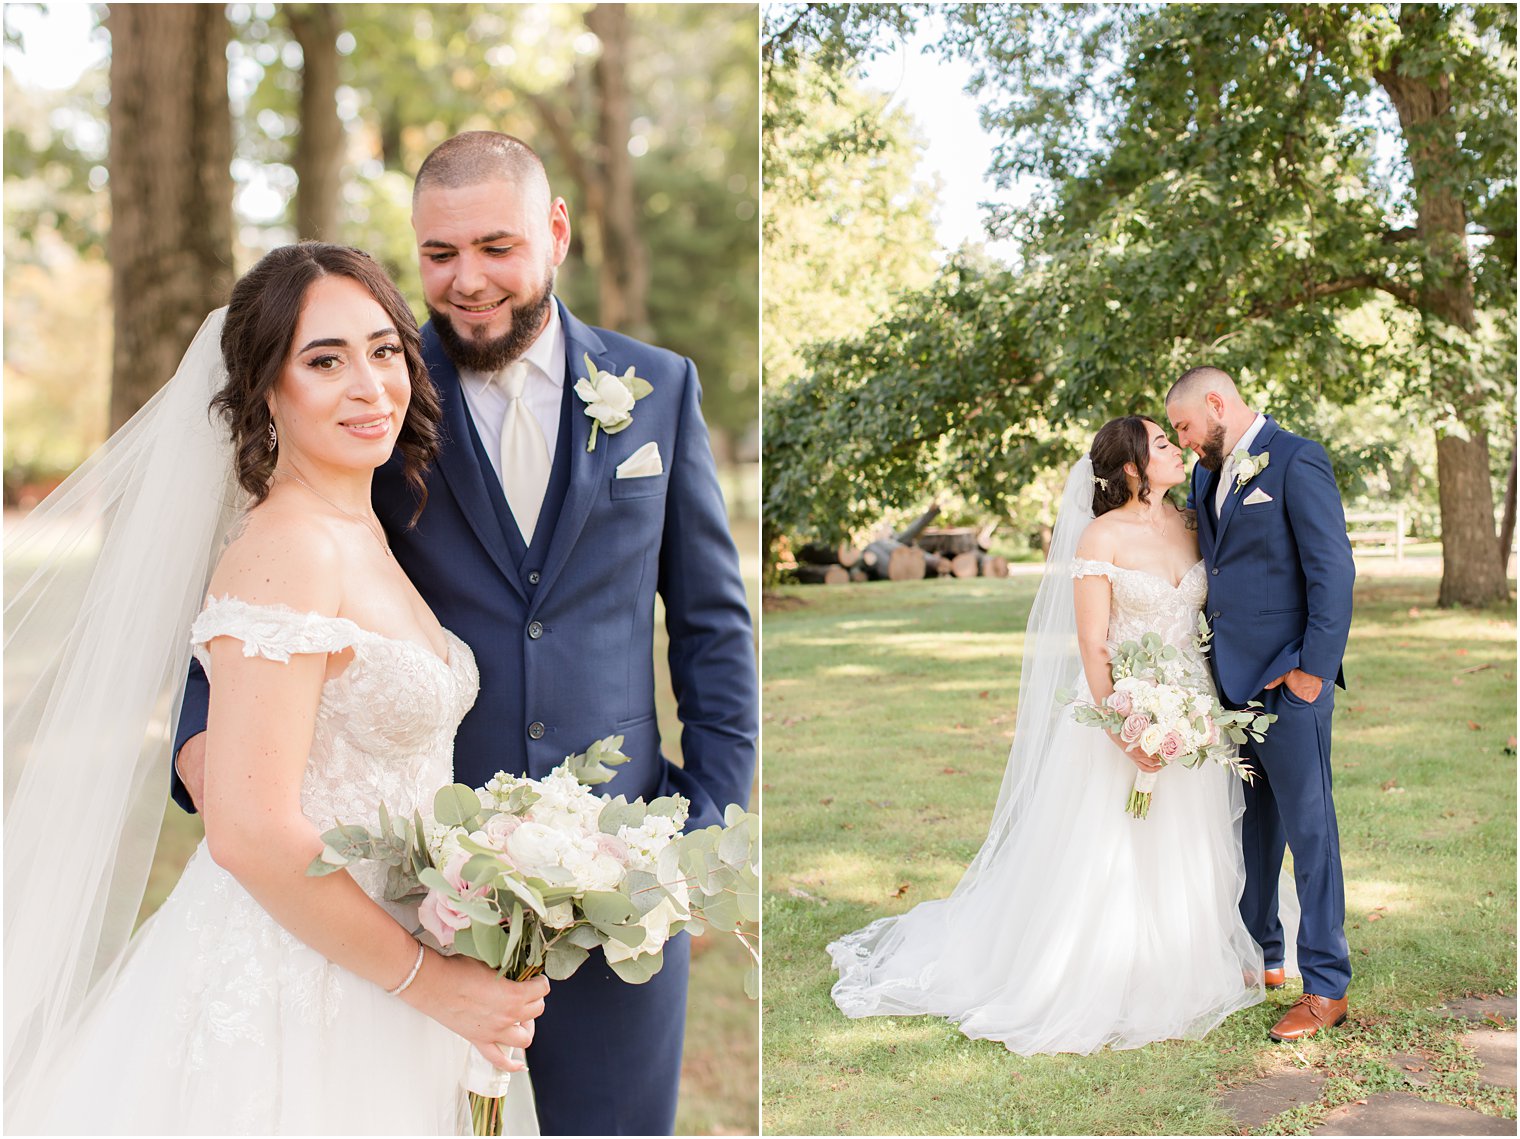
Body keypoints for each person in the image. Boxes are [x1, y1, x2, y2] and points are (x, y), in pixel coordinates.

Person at [173, 132, 758, 1135]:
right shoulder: (378, 393)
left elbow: (711, 627)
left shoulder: (659, 389)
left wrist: (695, 836)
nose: (467, 279)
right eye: (439, 254)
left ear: (555, 231)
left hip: (621, 876)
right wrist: (219, 774)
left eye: (496, 245)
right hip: (423, 890)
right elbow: (260, 615)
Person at [4, 243, 547, 1133]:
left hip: (391, 957)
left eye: (383, 350)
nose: (370, 385)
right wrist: (434, 984)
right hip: (305, 984)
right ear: (265, 389)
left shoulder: (362, 532)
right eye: (324, 360)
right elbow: (251, 831)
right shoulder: (288, 548)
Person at [828, 416, 1264, 1054]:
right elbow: (1092, 644)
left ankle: (1181, 959)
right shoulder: (1100, 538)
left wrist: (1186, 714)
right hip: (1121, 712)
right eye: (1162, 444)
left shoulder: (1194, 522)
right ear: (1133, 468)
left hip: (1193, 711)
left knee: (1190, 841)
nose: (1178, 449)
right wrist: (1127, 726)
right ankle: (1098, 970)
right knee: (1112, 849)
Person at [1165, 366, 1355, 1042]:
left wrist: (1311, 672)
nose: (1185, 442)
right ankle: (1262, 954)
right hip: (1228, 687)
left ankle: (1326, 983)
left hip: (1286, 681)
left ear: (1217, 404)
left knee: (1310, 831)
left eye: (1186, 427)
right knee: (1254, 826)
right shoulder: (1203, 476)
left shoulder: (1298, 460)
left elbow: (1333, 569)